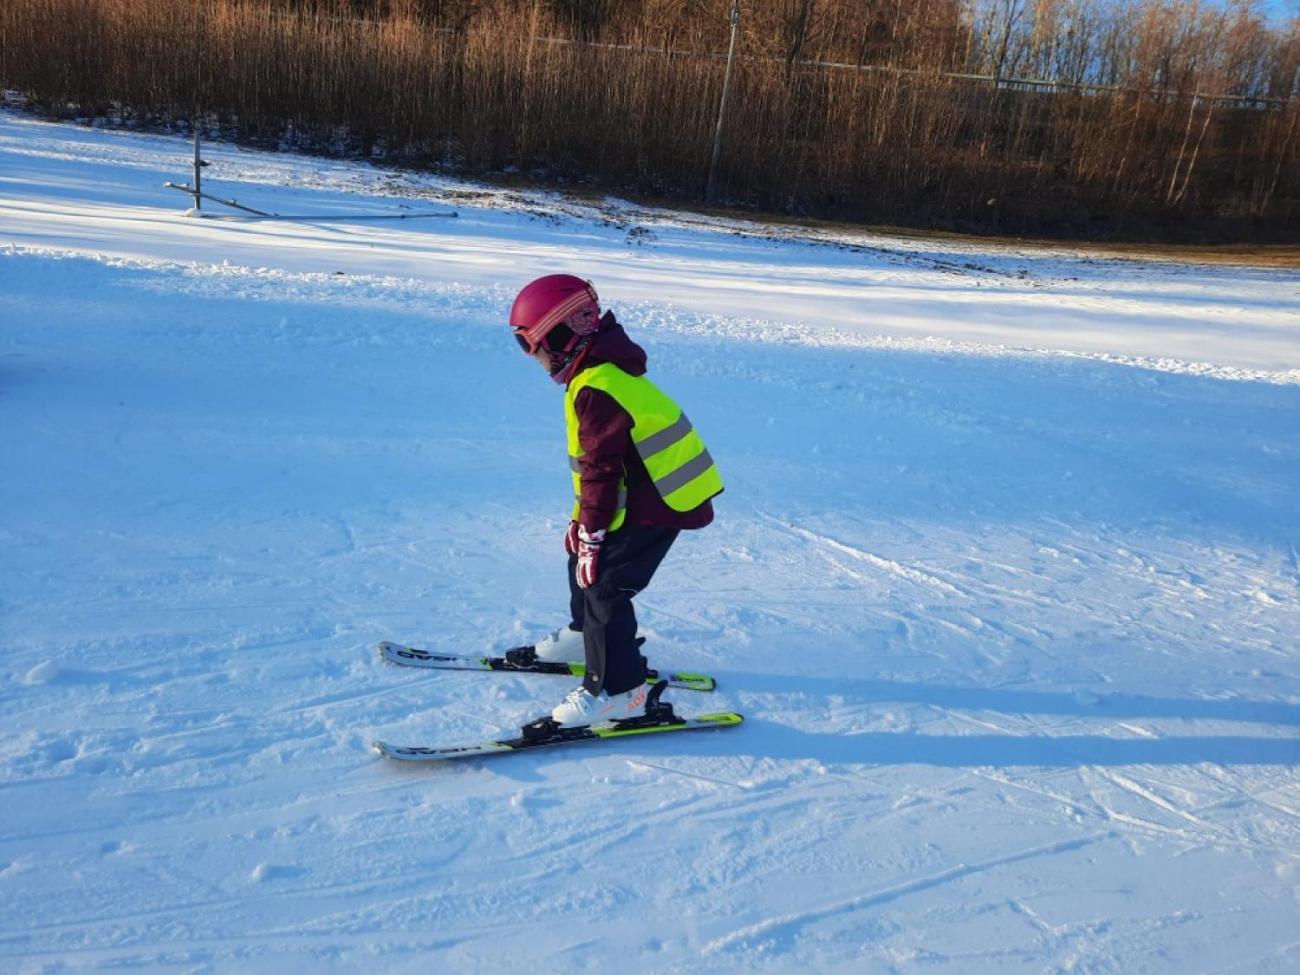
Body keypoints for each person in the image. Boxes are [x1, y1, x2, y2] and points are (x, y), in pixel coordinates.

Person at [509, 274, 723, 727]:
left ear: (564, 334)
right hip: (648, 487)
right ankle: (581, 635)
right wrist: (582, 528)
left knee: (606, 584)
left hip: (664, 498)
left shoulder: (597, 388)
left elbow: (602, 472)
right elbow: (596, 470)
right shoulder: (596, 374)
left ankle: (621, 691)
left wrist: (594, 534)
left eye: (537, 347)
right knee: (582, 559)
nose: (538, 361)